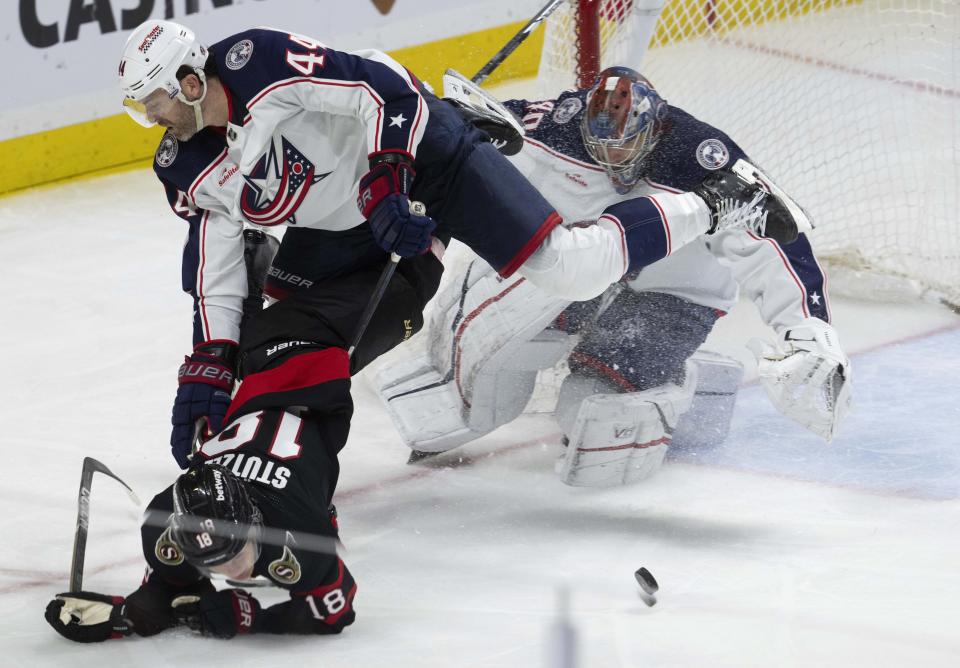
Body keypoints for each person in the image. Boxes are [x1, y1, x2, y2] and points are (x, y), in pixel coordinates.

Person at [116, 22, 796, 468]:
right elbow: (215, 268)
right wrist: (209, 357)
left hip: (430, 159)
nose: (150, 118)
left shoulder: (258, 60)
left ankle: (713, 203)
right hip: (345, 219)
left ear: (189, 79)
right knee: (278, 335)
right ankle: (262, 448)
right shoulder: (183, 161)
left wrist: (390, 175)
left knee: (565, 268)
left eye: (153, 100)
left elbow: (382, 86)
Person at [373, 67, 851, 486]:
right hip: (591, 270)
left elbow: (774, 240)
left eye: (625, 148)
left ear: (656, 126)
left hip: (672, 293)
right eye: (601, 149)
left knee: (591, 411)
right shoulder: (557, 122)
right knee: (495, 343)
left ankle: (689, 384)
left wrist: (807, 331)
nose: (613, 164)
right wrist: (441, 121)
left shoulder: (704, 157)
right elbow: (480, 134)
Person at [45, 314, 360, 640]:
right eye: (211, 562)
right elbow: (165, 591)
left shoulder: (303, 536)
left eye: (235, 553)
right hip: (260, 372)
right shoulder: (164, 525)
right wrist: (121, 617)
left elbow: (336, 615)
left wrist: (254, 619)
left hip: (317, 368)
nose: (232, 572)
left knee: (400, 289)